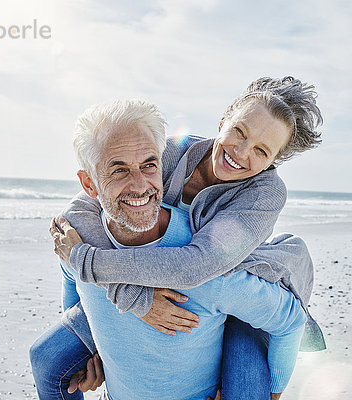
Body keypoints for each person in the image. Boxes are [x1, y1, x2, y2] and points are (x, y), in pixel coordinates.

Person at [49, 76, 326, 399]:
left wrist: (87, 262)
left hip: (231, 290)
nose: (240, 151)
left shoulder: (265, 193)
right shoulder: (170, 150)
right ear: (224, 120)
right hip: (149, 274)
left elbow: (196, 267)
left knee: (247, 387)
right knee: (47, 359)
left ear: (271, 161)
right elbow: (84, 208)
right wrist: (127, 301)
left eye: (261, 151)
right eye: (239, 131)